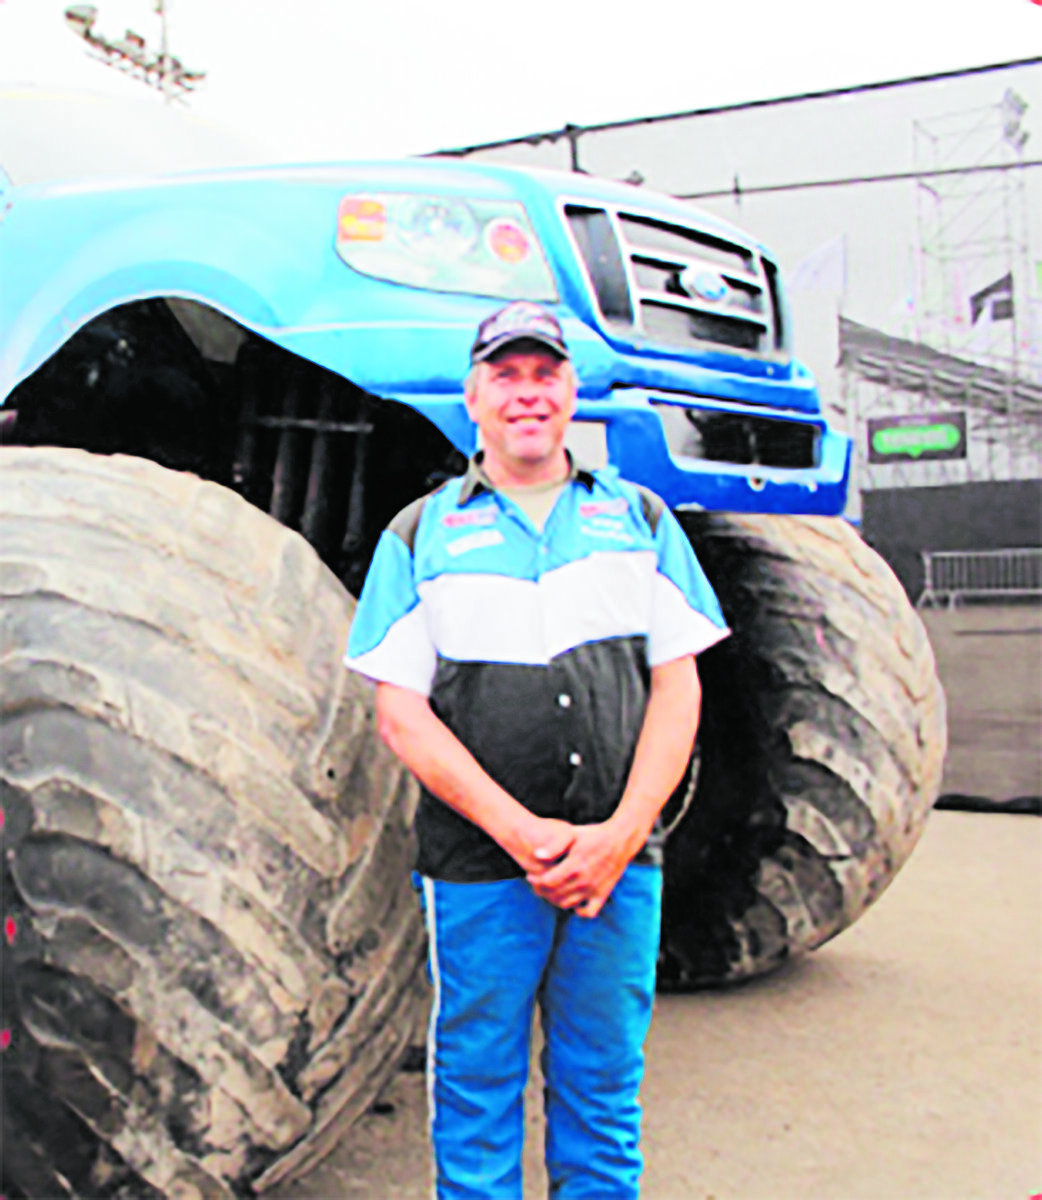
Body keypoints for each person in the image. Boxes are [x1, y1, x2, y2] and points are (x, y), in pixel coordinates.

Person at [344, 300, 729, 1199]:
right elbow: (401, 713)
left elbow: (680, 688)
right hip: (480, 870)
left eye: (544, 374)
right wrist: (526, 837)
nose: (527, 394)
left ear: (570, 392)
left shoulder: (639, 517)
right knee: (475, 1092)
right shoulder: (420, 534)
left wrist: (623, 832)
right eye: (505, 376)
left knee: (602, 1094)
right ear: (472, 397)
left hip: (619, 866)